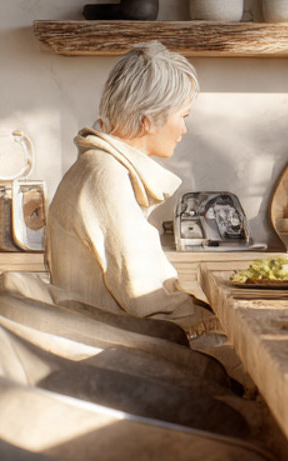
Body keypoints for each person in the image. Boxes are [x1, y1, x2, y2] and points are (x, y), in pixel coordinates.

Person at [46, 41, 208, 325]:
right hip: (118, 345)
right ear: (148, 120)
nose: (184, 129)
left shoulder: (100, 166)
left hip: (111, 333)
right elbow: (145, 297)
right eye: (183, 116)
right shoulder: (105, 175)